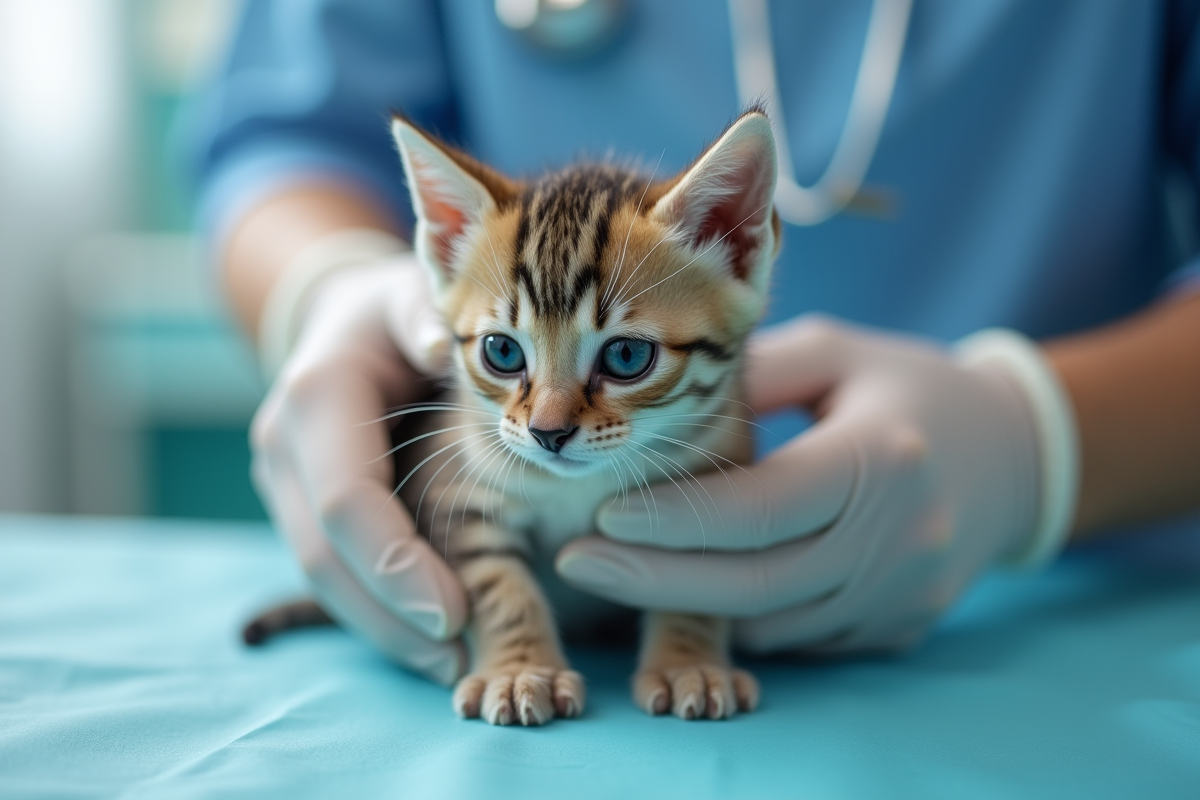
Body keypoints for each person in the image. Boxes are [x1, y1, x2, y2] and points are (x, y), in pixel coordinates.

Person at [186, 0, 1200, 686]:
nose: (547, 421)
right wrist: (326, 291)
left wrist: (1040, 440)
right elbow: (289, 129)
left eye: (621, 359)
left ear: (733, 242)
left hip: (1100, 599)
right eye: (514, 371)